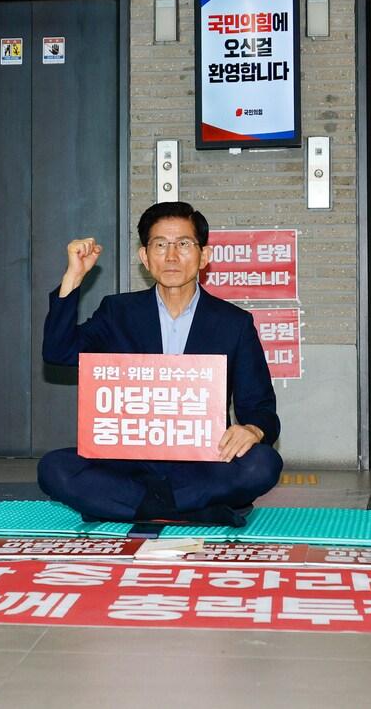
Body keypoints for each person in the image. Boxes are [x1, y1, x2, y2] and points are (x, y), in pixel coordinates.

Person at [36, 201, 283, 526]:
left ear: (204, 256)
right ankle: (193, 510)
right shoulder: (118, 312)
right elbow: (59, 352)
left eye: (183, 244)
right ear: (144, 257)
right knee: (53, 468)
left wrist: (251, 429)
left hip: (202, 463)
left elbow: (261, 408)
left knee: (264, 464)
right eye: (160, 245)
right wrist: (74, 277)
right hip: (129, 462)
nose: (171, 256)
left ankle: (138, 507)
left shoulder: (234, 323)